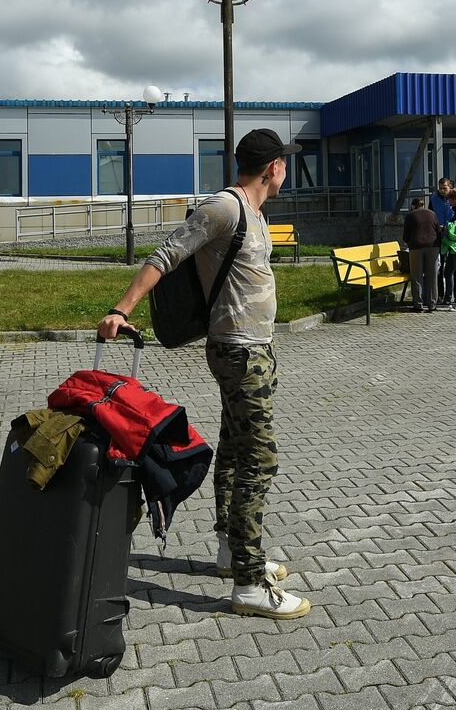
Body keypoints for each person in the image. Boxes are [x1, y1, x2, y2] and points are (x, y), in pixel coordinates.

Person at [97, 128, 308, 620]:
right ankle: (250, 584)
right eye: (284, 163)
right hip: (239, 353)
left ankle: (230, 553)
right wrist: (120, 309)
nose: (286, 171)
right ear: (272, 167)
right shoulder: (224, 208)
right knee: (261, 459)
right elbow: (165, 256)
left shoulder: (254, 212)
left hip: (255, 350)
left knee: (235, 450)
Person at [402, 196, 440, 312]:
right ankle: (432, 304)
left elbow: (405, 236)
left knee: (417, 276)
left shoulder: (410, 216)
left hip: (416, 247)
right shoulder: (432, 214)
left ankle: (418, 305)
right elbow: (438, 230)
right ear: (423, 204)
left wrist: (409, 242)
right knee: (432, 276)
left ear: (413, 206)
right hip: (433, 246)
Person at [429, 178, 456, 301]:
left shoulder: (455, 199)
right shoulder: (434, 200)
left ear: (450, 187)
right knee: (439, 267)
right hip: (438, 236)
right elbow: (430, 216)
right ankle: (439, 294)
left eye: (444, 188)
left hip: (453, 236)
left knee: (454, 268)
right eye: (440, 188)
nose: (442, 191)